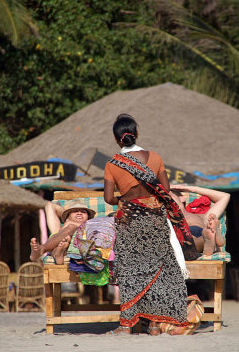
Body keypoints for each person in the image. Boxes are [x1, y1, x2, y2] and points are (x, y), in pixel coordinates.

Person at [104, 113, 200, 336]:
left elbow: (109, 198)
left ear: (117, 139)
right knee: (158, 268)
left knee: (130, 271)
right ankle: (155, 324)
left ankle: (126, 325)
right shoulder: (155, 157)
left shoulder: (112, 164)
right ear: (136, 134)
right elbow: (165, 190)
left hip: (129, 222)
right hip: (155, 220)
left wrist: (126, 201)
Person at [169, 185, 230, 256]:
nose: (166, 200)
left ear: (182, 199)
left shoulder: (201, 216)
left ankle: (210, 238)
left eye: (168, 197)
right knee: (187, 241)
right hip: (186, 235)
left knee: (190, 242)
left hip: (197, 232)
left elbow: (225, 196)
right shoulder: (166, 216)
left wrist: (191, 189)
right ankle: (211, 240)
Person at [30, 200, 96, 264]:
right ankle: (58, 254)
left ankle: (42, 249)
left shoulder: (90, 224)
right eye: (75, 211)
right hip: (57, 240)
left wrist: (72, 222)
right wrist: (68, 219)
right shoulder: (63, 226)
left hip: (78, 245)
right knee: (63, 243)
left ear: (88, 217)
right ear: (68, 217)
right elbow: (50, 205)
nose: (79, 213)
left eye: (83, 212)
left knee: (69, 231)